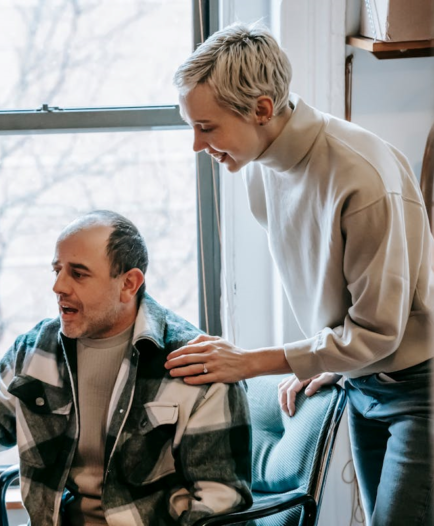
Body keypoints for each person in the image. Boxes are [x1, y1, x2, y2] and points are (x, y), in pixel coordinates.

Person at [165, 22, 434, 526]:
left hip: (420, 390)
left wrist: (254, 362)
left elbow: (381, 330)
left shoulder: (361, 177)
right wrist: (325, 357)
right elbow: (344, 300)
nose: (197, 146)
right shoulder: (260, 165)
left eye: (207, 127)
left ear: (263, 109)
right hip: (365, 379)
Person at [0, 211, 252, 526]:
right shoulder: (40, 348)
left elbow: (222, 507)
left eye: (78, 273)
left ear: (128, 284)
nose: (58, 286)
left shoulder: (197, 364)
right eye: (57, 270)